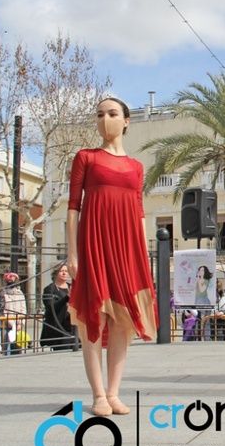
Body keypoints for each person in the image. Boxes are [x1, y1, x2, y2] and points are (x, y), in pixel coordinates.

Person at [67, 97, 158, 416]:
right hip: (94, 244)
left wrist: (142, 254)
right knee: (95, 315)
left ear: (126, 120)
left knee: (122, 320)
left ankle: (113, 392)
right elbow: (73, 208)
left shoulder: (136, 167)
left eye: (112, 113)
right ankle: (98, 395)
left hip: (126, 249)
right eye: (100, 114)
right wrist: (72, 253)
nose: (105, 118)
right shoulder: (86, 158)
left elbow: (139, 211)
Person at [41, 264, 74, 351]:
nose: (64, 273)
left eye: (66, 271)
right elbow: (50, 306)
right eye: (61, 271)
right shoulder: (50, 289)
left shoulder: (71, 287)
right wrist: (66, 298)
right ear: (55, 273)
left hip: (72, 324)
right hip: (59, 327)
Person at [1, 272, 27, 355]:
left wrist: (21, 323)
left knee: (17, 347)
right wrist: (11, 323)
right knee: (5, 345)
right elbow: (3, 309)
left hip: (18, 324)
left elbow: (23, 309)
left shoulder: (20, 293)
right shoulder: (3, 293)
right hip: (6, 324)